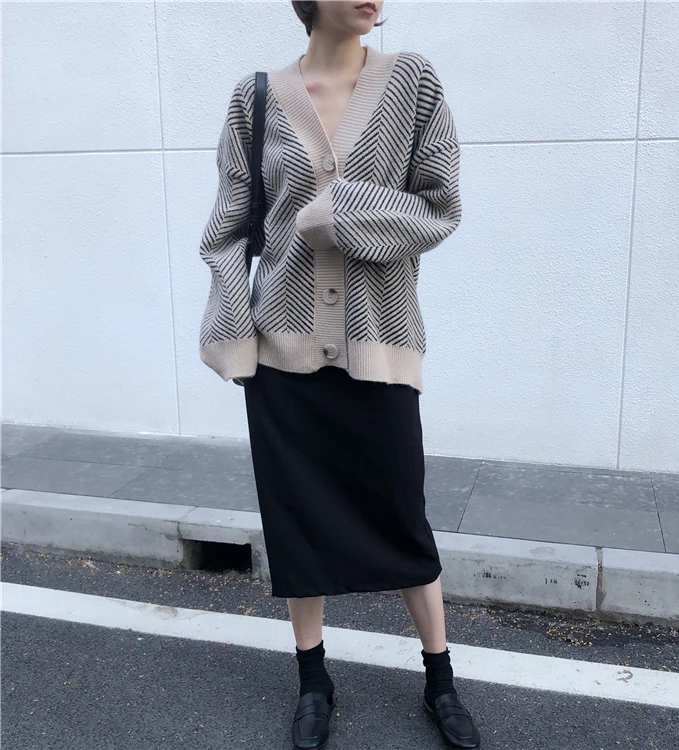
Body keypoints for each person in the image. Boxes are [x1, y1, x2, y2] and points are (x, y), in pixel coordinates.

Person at [197, 1, 479, 747]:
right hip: (281, 357)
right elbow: (227, 231)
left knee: (402, 515)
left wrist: (340, 214)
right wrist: (233, 333)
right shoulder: (255, 98)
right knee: (299, 524)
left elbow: (441, 207)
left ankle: (440, 679)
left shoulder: (413, 82)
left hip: (379, 344)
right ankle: (313, 680)